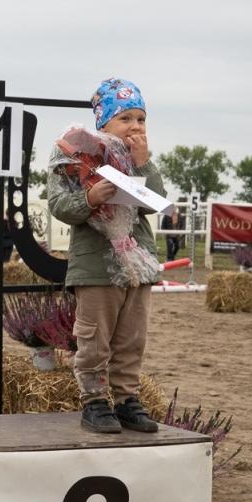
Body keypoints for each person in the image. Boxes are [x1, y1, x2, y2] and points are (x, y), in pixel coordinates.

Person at [47, 78, 166, 436]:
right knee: (95, 337)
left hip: (137, 265)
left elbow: (155, 201)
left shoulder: (139, 160)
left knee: (132, 339)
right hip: (96, 265)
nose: (135, 126)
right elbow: (58, 204)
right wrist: (90, 198)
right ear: (103, 123)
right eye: (125, 118)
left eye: (141, 119)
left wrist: (144, 165)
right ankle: (94, 401)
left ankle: (128, 400)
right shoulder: (77, 151)